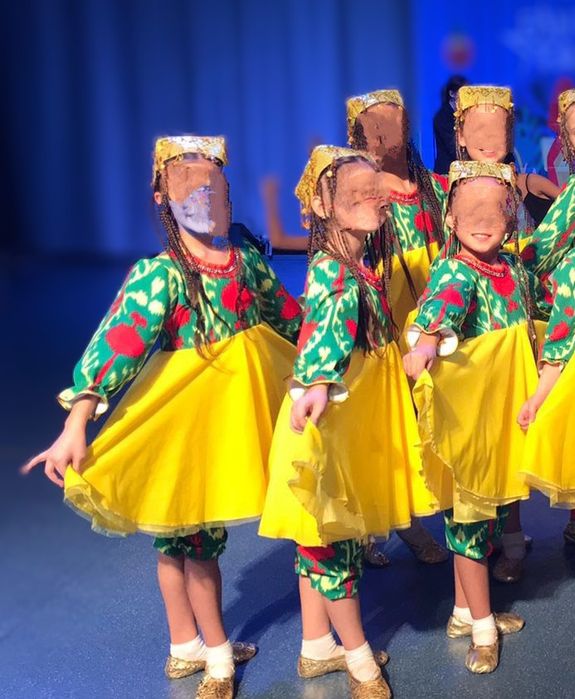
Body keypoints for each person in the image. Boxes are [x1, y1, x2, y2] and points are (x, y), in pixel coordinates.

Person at [22, 135, 302, 699]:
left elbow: (289, 319)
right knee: (189, 538)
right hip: (185, 421)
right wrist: (76, 423)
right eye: (187, 184)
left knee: (183, 538)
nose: (203, 195)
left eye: (213, 184)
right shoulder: (164, 275)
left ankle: (184, 645)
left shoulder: (245, 262)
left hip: (230, 417)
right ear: (162, 197)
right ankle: (215, 656)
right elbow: (117, 344)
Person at [259, 145, 438, 698]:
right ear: (323, 206)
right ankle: (360, 661)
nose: (373, 200)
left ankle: (316, 645)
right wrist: (316, 382)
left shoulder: (361, 266)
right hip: (330, 421)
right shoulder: (334, 272)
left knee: (323, 536)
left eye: (374, 191)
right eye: (356, 193)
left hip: (351, 416)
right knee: (331, 540)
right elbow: (328, 328)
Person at [403, 160, 542, 673]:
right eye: (470, 211)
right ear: (451, 218)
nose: (482, 223)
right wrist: (426, 342)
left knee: (490, 515)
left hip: (502, 414)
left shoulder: (512, 269)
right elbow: (439, 311)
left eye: (494, 212)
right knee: (469, 519)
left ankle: (466, 611)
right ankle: (482, 629)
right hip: (470, 417)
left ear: (510, 217)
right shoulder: (456, 270)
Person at [346, 89, 449, 566]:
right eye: (372, 128)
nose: (383, 134)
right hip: (387, 322)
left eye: (390, 123)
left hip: (435, 318)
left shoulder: (435, 188)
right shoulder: (365, 198)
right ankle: (391, 522)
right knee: (390, 424)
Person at [433, 74, 468, 174]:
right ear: (452, 94)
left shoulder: (466, 115)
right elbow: (454, 148)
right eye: (463, 93)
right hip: (447, 172)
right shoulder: (442, 117)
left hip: (463, 169)